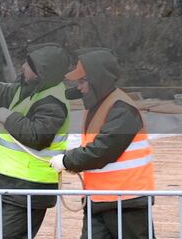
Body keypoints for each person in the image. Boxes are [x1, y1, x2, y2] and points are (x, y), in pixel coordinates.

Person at [0, 43, 70, 239]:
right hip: (18, 186)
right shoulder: (30, 89)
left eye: (28, 64)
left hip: (30, 187)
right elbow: (1, 92)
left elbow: (37, 136)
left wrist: (9, 118)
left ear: (41, 72)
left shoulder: (52, 102)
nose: (23, 66)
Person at [49, 48, 155, 239]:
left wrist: (67, 161)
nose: (79, 87)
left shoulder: (122, 108)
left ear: (97, 80)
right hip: (100, 200)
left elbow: (102, 150)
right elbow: (95, 146)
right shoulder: (99, 104)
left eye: (82, 81)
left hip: (127, 203)